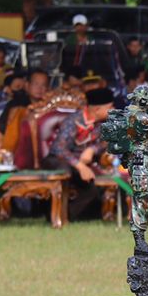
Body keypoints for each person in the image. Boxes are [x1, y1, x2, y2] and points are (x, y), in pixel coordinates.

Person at [45, 85, 115, 220]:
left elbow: (106, 142)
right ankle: (54, 212)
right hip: (59, 161)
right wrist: (79, 165)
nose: (113, 110)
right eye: (110, 107)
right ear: (97, 109)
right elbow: (58, 148)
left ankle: (65, 215)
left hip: (82, 165)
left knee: (92, 188)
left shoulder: (104, 123)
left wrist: (91, 149)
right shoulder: (73, 121)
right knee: (65, 171)